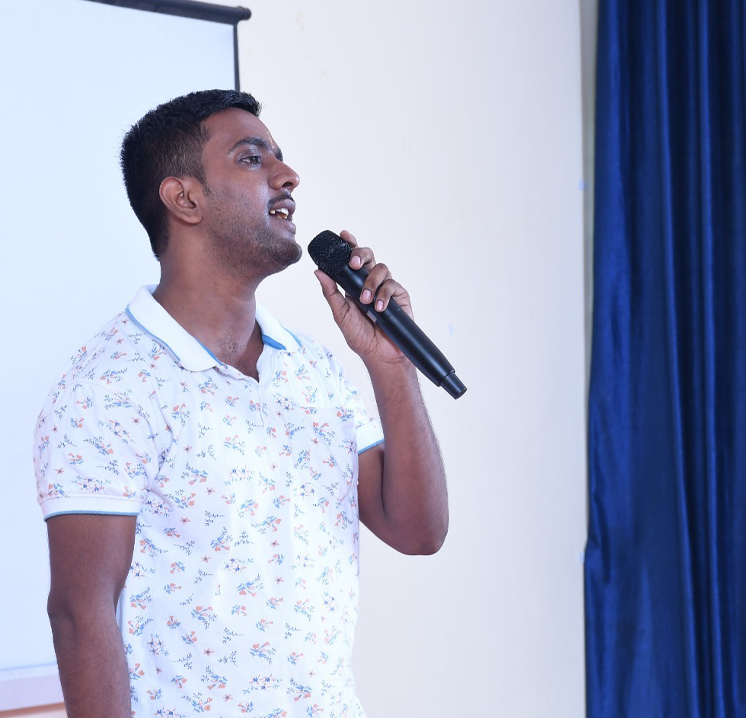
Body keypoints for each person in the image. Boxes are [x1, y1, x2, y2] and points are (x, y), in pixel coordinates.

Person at [33, 89, 447, 718]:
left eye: (279, 156)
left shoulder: (312, 369)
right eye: (254, 159)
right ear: (185, 199)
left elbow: (419, 532)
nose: (288, 175)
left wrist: (391, 367)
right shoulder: (108, 387)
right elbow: (79, 613)